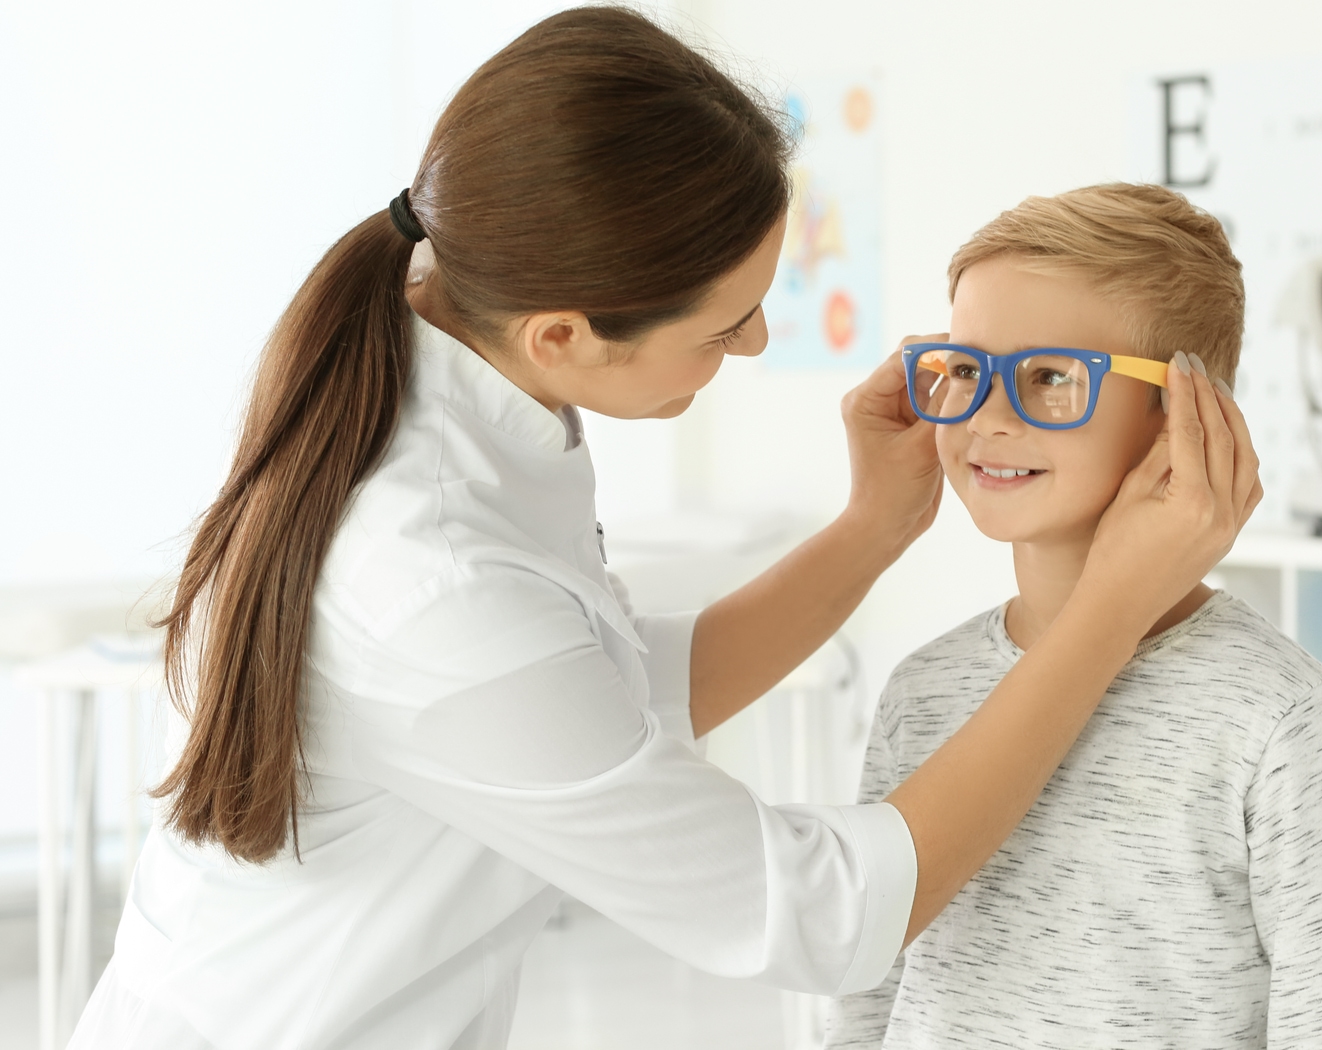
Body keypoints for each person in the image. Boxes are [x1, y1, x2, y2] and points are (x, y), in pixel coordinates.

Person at [69, 13, 1259, 1050]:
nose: (750, 349)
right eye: (725, 324)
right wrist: (1113, 602)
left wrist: (870, 529)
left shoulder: (460, 361)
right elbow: (825, 917)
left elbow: (595, 698)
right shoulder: (430, 581)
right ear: (564, 335)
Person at [825, 185, 1322, 1050]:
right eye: (967, 369)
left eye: (1051, 377)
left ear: (1184, 413)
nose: (988, 415)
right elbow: (867, 993)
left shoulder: (1272, 709)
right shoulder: (924, 689)